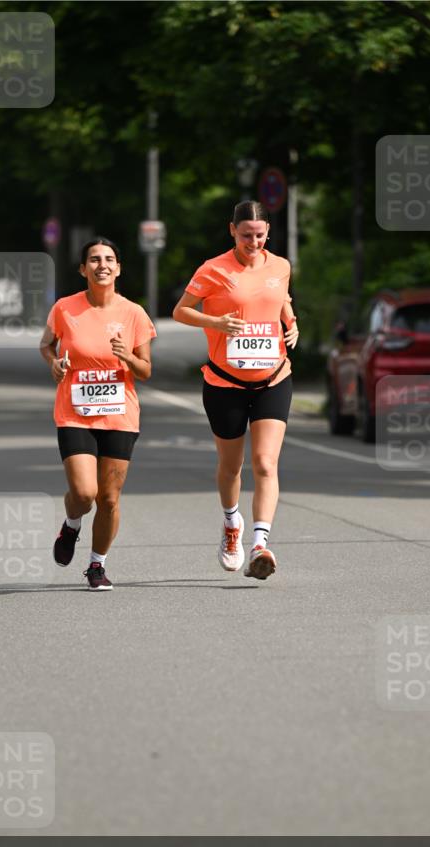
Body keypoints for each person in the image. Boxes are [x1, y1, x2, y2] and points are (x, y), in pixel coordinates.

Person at [173, 200, 299, 580]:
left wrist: (292, 323)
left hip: (273, 377)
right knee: (232, 466)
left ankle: (260, 544)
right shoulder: (213, 270)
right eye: (246, 235)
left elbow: (281, 299)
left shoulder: (280, 266)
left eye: (260, 235)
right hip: (224, 382)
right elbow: (181, 310)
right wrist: (215, 321)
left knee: (265, 463)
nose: (254, 242)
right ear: (232, 231)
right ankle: (232, 526)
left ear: (268, 233)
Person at [40, 237, 156, 591]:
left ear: (118, 268)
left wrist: (127, 357)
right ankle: (72, 523)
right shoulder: (65, 308)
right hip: (75, 413)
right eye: (93, 259)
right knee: (85, 492)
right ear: (82, 269)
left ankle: (97, 565)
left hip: (119, 416)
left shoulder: (134, 313)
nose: (101, 265)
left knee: (108, 498)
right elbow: (46, 345)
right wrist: (55, 363)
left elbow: (145, 370)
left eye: (109, 259)